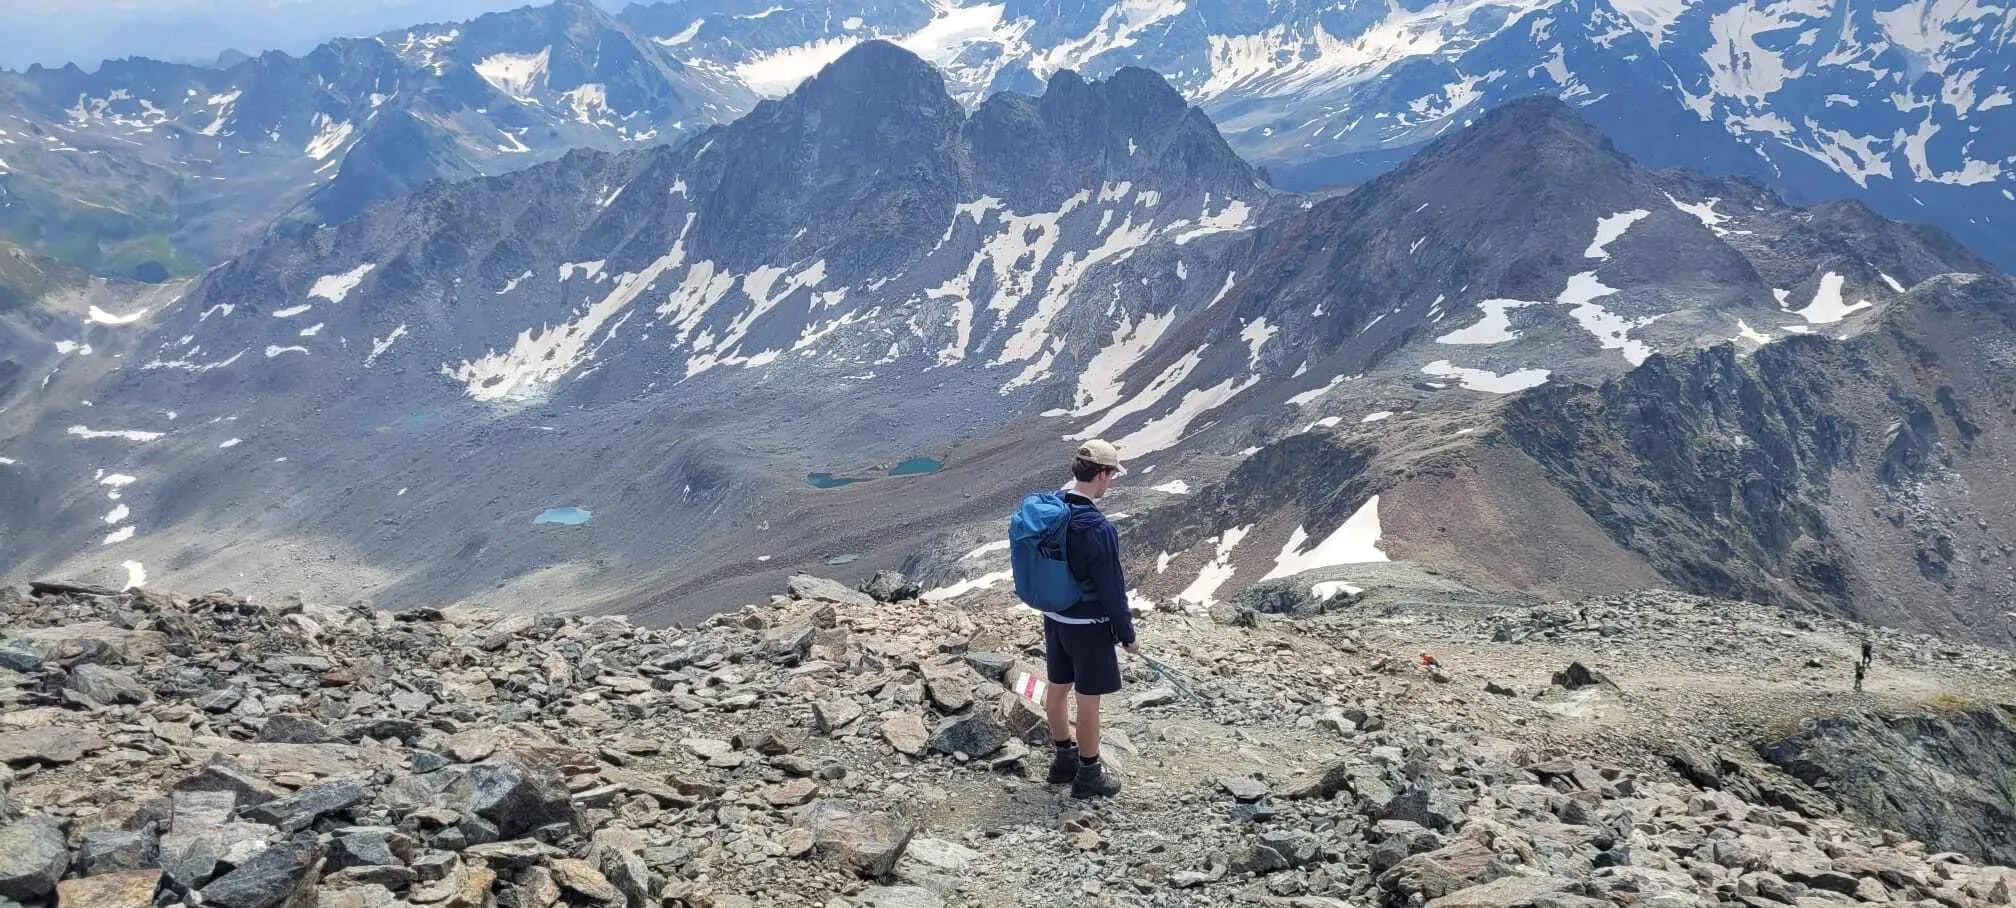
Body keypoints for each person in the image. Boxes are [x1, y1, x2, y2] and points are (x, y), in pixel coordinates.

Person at [1041, 439, 1136, 799]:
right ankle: (1089, 772)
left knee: (1057, 687)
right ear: (1101, 474)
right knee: (1088, 698)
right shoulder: (1098, 528)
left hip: (1054, 617)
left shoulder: (1053, 509)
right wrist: (1126, 633)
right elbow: (1112, 588)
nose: (1110, 482)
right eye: (1110, 475)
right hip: (1088, 626)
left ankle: (1063, 759)